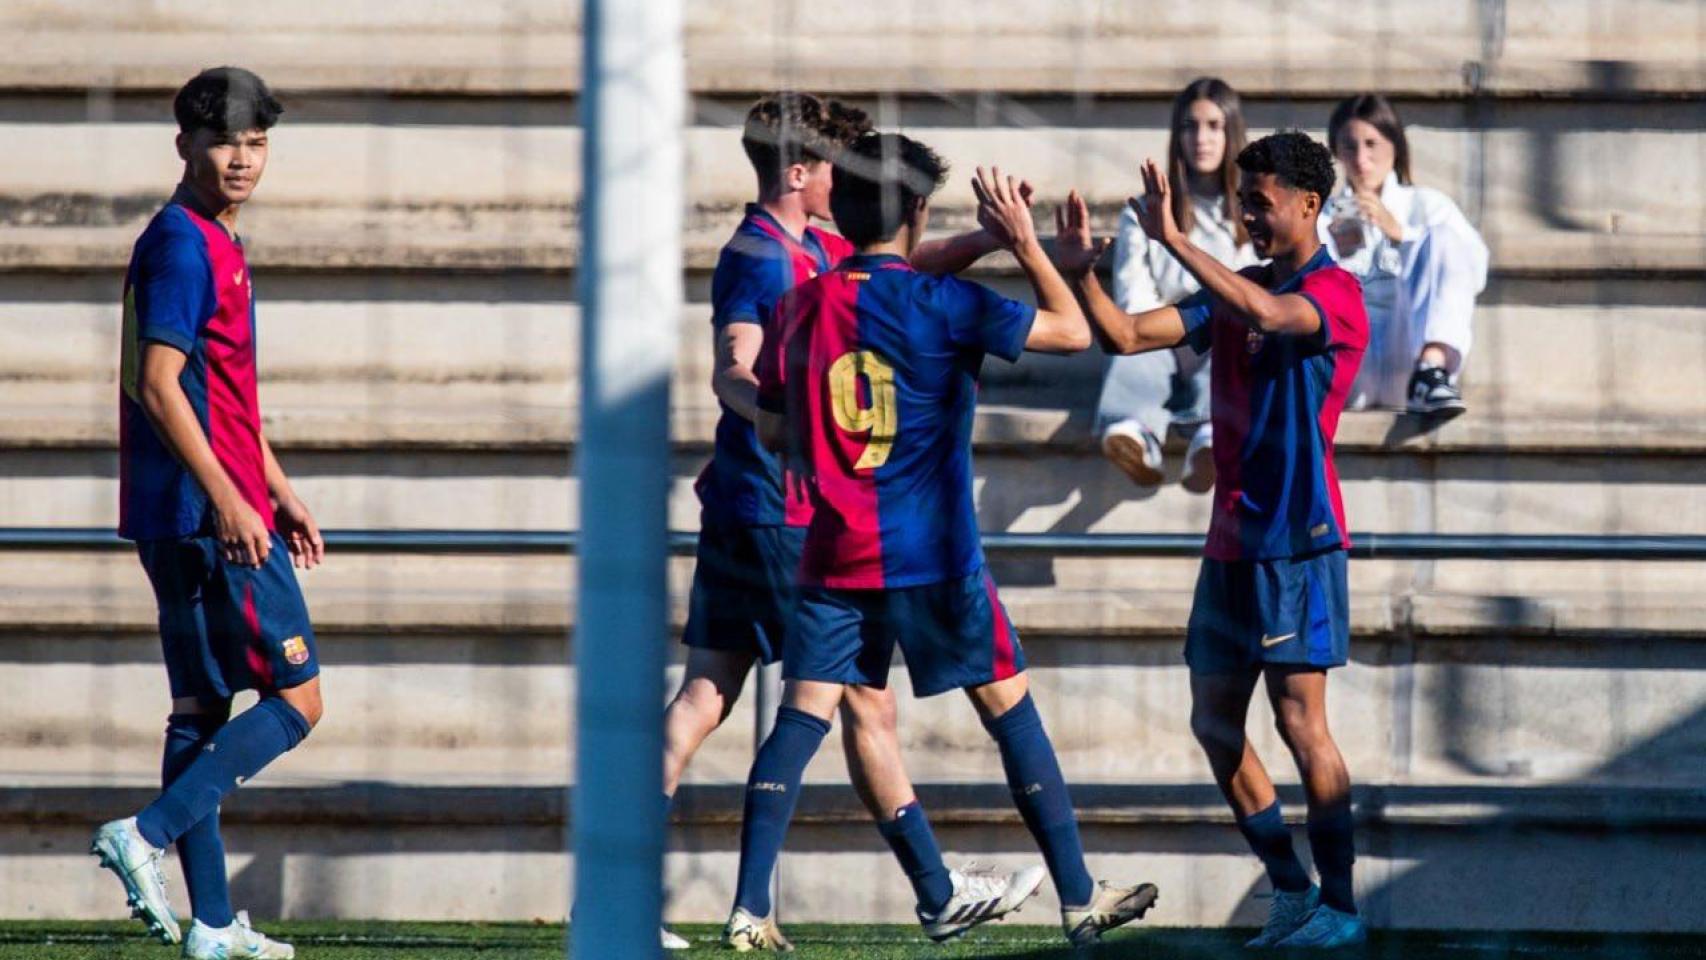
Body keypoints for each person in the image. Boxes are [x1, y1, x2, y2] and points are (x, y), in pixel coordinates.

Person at [730, 132, 1160, 950]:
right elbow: (1075, 334)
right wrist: (1033, 247)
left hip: (834, 549)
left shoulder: (801, 307)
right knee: (1009, 710)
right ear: (919, 214)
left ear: (842, 213)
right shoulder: (944, 304)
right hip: (933, 550)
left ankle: (751, 908)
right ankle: (1077, 897)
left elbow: (779, 421)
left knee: (802, 715)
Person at [671, 93, 1030, 952]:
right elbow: (733, 368)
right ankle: (901, 893)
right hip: (782, 507)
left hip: (743, 502)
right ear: (801, 175)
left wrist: (1000, 239)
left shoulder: (817, 246)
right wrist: (773, 426)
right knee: (859, 699)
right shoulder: (757, 258)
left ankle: (610, 889)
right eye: (834, 168)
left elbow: (902, 263)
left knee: (705, 697)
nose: (845, 181)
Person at [1057, 132, 1370, 948]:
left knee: (1303, 726)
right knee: (1214, 725)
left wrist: (1174, 239)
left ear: (1309, 204)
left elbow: (1270, 315)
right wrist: (1078, 269)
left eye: (1260, 203)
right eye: (1243, 202)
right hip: (1230, 544)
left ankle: (1341, 908)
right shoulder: (1241, 289)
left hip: (1297, 543)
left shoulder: (1333, 292)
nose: (1249, 217)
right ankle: (1293, 888)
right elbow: (1125, 338)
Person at [93, 67, 319, 960]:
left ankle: (214, 922)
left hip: (184, 507)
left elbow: (219, 391)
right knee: (299, 699)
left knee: (198, 709)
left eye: (257, 143)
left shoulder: (211, 239)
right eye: (225, 141)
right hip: (205, 514)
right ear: (183, 144)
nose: (241, 158)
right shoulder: (186, 245)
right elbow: (157, 385)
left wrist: (278, 484)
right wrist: (233, 498)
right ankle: (145, 834)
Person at [1098, 77, 1257, 491]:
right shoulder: (1146, 211)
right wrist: (1176, 334)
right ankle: (1134, 434)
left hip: (1229, 335)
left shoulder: (1254, 210)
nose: (1200, 138)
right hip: (1164, 336)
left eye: (1213, 126)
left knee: (1233, 342)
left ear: (1232, 132)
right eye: (1189, 126)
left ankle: (1210, 436)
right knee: (1132, 344)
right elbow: (1133, 295)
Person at [1322, 93, 1488, 418]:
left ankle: (1431, 372)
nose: (1361, 158)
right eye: (1349, 146)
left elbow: (1475, 267)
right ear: (1336, 152)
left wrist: (1400, 234)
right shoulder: (1323, 215)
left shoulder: (1427, 205)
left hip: (1407, 353)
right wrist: (1329, 253)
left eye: (1372, 144)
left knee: (1442, 236)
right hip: (1349, 365)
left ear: (1394, 146)